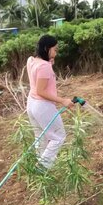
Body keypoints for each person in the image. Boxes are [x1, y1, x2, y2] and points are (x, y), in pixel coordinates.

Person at [26, 35, 74, 169]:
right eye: (55, 50)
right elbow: (41, 91)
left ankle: (40, 166)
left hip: (31, 104)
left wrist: (49, 62)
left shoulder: (31, 60)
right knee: (58, 137)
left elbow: (37, 75)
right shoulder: (44, 67)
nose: (56, 53)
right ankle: (42, 167)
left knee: (40, 136)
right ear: (47, 49)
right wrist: (63, 101)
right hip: (42, 105)